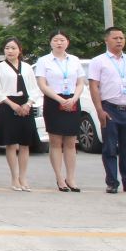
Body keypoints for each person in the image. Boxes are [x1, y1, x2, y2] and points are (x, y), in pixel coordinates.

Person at [87, 27, 126, 195]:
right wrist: (99, 110)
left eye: (121, 38)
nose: (119, 41)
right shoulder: (98, 61)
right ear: (106, 40)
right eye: (115, 38)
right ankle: (112, 182)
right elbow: (94, 86)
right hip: (110, 108)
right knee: (109, 148)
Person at [35, 30, 85, 192]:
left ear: (67, 42)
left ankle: (71, 177)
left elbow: (80, 83)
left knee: (71, 142)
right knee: (56, 142)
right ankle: (59, 177)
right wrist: (59, 99)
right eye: (56, 40)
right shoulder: (44, 61)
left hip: (72, 101)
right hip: (53, 101)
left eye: (62, 40)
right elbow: (42, 84)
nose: (59, 43)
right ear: (50, 42)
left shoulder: (75, 60)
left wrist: (74, 98)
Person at [0, 37, 39, 190]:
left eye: (13, 48)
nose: (10, 51)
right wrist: (12, 105)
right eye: (7, 48)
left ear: (20, 50)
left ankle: (23, 178)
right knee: (11, 144)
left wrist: (28, 104)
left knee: (25, 144)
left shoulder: (27, 67)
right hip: (8, 105)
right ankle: (14, 178)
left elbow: (34, 89)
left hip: (25, 105)